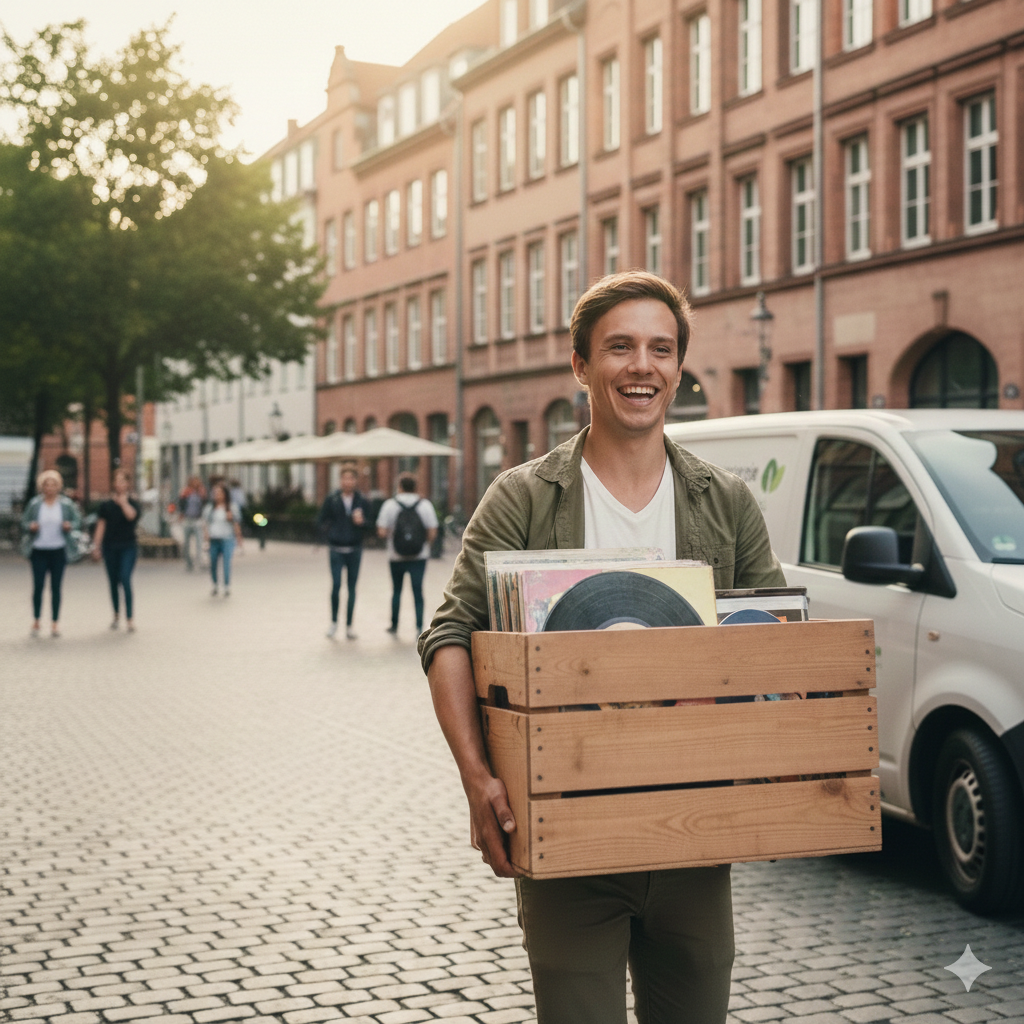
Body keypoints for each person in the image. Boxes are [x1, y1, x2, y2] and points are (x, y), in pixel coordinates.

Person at [418, 271, 786, 1024]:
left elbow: (772, 639)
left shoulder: (727, 501)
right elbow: (450, 633)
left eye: (660, 348)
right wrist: (475, 777)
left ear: (679, 367)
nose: (641, 366)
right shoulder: (522, 497)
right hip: (566, 834)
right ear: (581, 365)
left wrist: (777, 781)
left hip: (694, 837)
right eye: (619, 347)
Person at [21, 469, 83, 638]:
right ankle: (36, 620)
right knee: (38, 587)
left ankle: (55, 622)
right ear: (42, 486)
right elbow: (24, 522)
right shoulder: (35, 504)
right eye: (47, 484)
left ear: (58, 486)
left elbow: (77, 521)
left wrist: (69, 525)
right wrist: (30, 526)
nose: (50, 487)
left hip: (58, 550)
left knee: (56, 588)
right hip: (39, 550)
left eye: (53, 484)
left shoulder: (65, 504)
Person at [376, 473, 438, 636]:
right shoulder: (425, 505)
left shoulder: (390, 505)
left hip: (396, 556)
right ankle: (419, 626)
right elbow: (432, 531)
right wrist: (423, 545)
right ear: (416, 487)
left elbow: (381, 531)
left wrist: (394, 536)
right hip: (419, 556)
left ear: (400, 487)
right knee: (418, 591)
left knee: (396, 590)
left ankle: (394, 625)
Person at [316, 464, 372, 640]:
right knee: (336, 585)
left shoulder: (362, 500)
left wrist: (362, 522)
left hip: (355, 548)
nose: (347, 481)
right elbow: (320, 521)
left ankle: (349, 626)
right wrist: (330, 530)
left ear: (355, 481)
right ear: (340, 480)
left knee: (352, 587)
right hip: (336, 548)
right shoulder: (332, 499)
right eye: (344, 478)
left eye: (351, 478)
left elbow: (371, 525)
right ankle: (333, 622)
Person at [91, 468, 142, 632]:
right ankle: (116, 615)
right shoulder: (106, 505)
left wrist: (123, 502)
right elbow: (101, 526)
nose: (119, 484)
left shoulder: (133, 503)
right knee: (113, 582)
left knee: (125, 578)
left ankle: (130, 618)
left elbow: (131, 516)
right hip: (110, 547)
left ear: (128, 483)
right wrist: (96, 546)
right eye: (117, 480)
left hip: (128, 546)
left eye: (123, 480)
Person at [204, 480, 243, 596]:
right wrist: (206, 537)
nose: (217, 495)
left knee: (226, 563)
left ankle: (226, 586)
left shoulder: (231, 507)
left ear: (225, 494)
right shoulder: (210, 508)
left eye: (220, 493)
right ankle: (215, 584)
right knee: (213, 563)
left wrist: (239, 539)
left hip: (227, 539)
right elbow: (205, 524)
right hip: (214, 539)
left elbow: (236, 524)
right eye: (215, 493)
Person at [178, 476, 206, 570]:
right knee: (186, 543)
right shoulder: (185, 491)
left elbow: (205, 504)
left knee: (199, 542)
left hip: (197, 520)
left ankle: (199, 562)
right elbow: (181, 503)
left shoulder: (201, 492)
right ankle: (189, 563)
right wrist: (181, 514)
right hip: (187, 519)